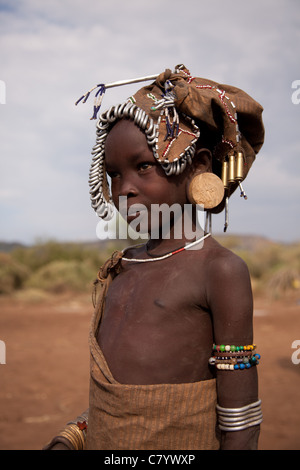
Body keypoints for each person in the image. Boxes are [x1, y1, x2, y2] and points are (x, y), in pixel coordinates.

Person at [44, 65, 264, 450]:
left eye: (143, 166)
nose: (123, 189)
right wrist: (71, 438)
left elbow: (240, 423)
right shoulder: (121, 267)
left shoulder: (219, 270)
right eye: (113, 174)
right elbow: (118, 403)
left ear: (197, 166)